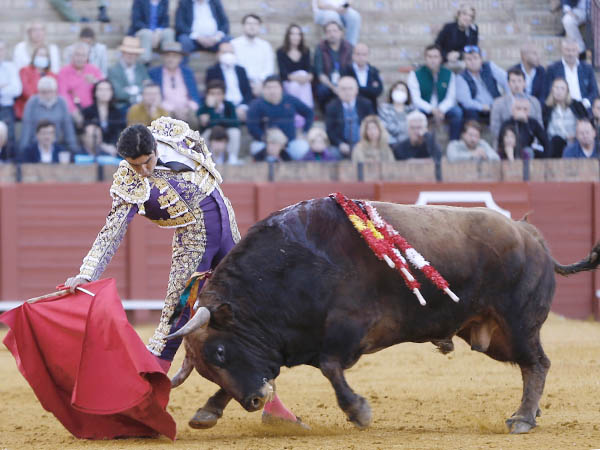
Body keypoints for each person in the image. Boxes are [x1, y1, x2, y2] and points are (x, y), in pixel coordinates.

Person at [64, 116, 303, 429]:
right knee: (175, 319)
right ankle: (139, 406)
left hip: (224, 220)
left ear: (154, 147)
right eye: (134, 165)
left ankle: (273, 406)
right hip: (194, 244)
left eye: (146, 162)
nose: (142, 171)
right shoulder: (129, 181)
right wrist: (87, 272)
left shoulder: (170, 131)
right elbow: (112, 230)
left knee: (250, 313)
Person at [247, 75, 313, 160]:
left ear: (281, 88)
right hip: (267, 143)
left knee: (302, 148)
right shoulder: (256, 105)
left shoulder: (290, 100)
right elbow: (252, 127)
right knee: (256, 148)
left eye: (275, 87)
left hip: (290, 143)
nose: (272, 91)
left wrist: (304, 132)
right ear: (263, 89)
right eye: (268, 87)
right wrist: (266, 139)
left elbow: (309, 113)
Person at [407, 44, 463, 140]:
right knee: (415, 115)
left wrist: (441, 109)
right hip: (424, 108)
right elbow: (416, 99)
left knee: (457, 112)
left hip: (443, 108)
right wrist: (432, 109)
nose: (433, 60)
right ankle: (420, 143)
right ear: (425, 58)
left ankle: (454, 143)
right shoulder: (415, 75)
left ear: (441, 58)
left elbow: (451, 97)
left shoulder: (449, 74)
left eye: (435, 57)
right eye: (430, 56)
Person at [19, 76, 78, 155]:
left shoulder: (62, 102)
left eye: (50, 91)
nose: (47, 95)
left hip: (56, 145)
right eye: (44, 92)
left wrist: (73, 149)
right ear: (39, 92)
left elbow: (68, 127)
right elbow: (26, 128)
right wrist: (23, 151)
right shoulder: (32, 102)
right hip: (35, 146)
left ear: (55, 91)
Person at [148, 42, 201, 125]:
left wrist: (188, 108)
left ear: (180, 58)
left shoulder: (187, 72)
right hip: (165, 110)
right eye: (168, 56)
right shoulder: (155, 73)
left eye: (174, 56)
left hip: (187, 110)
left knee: (194, 121)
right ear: (163, 57)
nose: (171, 59)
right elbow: (153, 96)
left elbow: (195, 96)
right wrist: (172, 110)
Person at [456, 45, 508, 122]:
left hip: (495, 105)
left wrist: (508, 99)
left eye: (475, 58)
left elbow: (507, 80)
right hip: (477, 110)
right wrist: (483, 107)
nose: (473, 62)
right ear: (464, 62)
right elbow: (466, 101)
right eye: (469, 59)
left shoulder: (490, 67)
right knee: (470, 111)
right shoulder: (461, 77)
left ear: (481, 59)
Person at [325, 75, 373, 158]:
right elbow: (330, 130)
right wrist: (340, 144)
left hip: (363, 143)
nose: (347, 92)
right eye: (343, 89)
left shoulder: (366, 104)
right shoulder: (331, 106)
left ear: (356, 90)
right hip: (341, 146)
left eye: (350, 88)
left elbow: (372, 126)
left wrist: (363, 143)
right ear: (337, 91)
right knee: (332, 153)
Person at [57, 42, 104, 127]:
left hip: (92, 111)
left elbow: (104, 87)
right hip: (72, 112)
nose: (80, 58)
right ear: (71, 56)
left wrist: (95, 81)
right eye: (77, 55)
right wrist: (73, 111)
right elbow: (63, 94)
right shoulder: (64, 71)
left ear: (87, 57)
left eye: (83, 55)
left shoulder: (93, 69)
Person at [489, 67, 543, 141]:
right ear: (508, 84)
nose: (516, 84)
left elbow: (540, 126)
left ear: (524, 83)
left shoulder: (534, 102)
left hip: (530, 142)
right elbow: (495, 129)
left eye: (519, 81)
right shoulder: (498, 103)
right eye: (513, 81)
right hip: (506, 143)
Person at [276, 24, 314, 129]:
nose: (295, 37)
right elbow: (283, 73)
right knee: (295, 85)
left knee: (303, 77)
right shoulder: (281, 52)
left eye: (298, 34)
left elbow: (309, 69)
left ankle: (306, 111)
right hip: (289, 83)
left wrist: (308, 76)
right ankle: (297, 114)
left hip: (304, 83)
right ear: (288, 36)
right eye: (292, 34)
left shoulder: (305, 51)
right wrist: (297, 78)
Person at [544, 38, 598, 110]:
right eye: (567, 50)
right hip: (561, 108)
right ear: (562, 50)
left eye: (573, 50)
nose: (571, 53)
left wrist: (586, 103)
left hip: (584, 109)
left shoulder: (587, 68)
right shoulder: (553, 69)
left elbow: (594, 91)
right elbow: (548, 91)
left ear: (578, 51)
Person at [205, 42, 253, 122]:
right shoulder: (212, 71)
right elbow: (211, 92)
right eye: (225, 52)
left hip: (241, 105)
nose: (228, 55)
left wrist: (243, 106)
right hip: (223, 106)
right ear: (218, 54)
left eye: (231, 53)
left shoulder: (241, 70)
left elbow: (248, 91)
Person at [197, 80, 241, 164]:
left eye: (218, 93)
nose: (215, 97)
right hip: (210, 133)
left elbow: (235, 123)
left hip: (226, 131)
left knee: (234, 132)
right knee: (203, 137)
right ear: (207, 95)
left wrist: (216, 121)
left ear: (223, 95)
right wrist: (211, 108)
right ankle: (205, 160)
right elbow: (205, 126)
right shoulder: (203, 108)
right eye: (212, 94)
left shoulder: (229, 105)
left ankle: (232, 159)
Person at [231, 14, 275, 97]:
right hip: (240, 84)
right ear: (243, 26)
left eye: (255, 24)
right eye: (249, 23)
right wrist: (248, 83)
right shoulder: (234, 44)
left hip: (262, 85)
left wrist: (260, 83)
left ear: (259, 27)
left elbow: (269, 68)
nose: (252, 27)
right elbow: (234, 68)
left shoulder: (265, 46)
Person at [543, 77, 588, 158]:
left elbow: (586, 123)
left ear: (567, 91)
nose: (559, 91)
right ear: (552, 90)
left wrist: (575, 136)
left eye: (562, 88)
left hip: (574, 140)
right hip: (554, 142)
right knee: (556, 141)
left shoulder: (577, 105)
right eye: (556, 88)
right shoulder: (546, 108)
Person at [314, 21, 353, 111]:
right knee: (322, 90)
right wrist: (333, 87)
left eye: (335, 31)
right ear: (326, 34)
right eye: (329, 31)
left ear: (341, 33)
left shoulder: (348, 47)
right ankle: (326, 113)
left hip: (344, 81)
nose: (332, 34)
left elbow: (351, 70)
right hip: (328, 83)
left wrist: (342, 85)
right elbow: (320, 73)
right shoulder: (320, 48)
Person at [82, 80, 126, 152]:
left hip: (114, 149)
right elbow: (85, 132)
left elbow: (120, 132)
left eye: (107, 90)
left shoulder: (117, 112)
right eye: (101, 90)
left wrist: (113, 147)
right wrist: (103, 146)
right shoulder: (88, 111)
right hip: (94, 149)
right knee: (91, 130)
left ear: (112, 93)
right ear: (95, 92)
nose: (104, 93)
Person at [108, 37, 150, 111]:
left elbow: (148, 86)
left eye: (133, 53)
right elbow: (118, 93)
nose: (130, 55)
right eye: (128, 52)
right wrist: (138, 92)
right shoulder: (113, 70)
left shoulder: (141, 68)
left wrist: (133, 89)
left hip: (142, 106)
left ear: (137, 55)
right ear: (122, 53)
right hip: (122, 107)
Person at [129, 0, 176, 64]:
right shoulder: (139, 1)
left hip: (158, 32)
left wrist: (159, 31)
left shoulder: (164, 1)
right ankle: (145, 62)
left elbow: (165, 22)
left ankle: (169, 61)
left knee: (169, 32)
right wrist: (151, 32)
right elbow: (136, 21)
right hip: (142, 30)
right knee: (147, 34)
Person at [434, 2, 478, 69]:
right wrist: (447, 56)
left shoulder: (473, 30)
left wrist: (459, 54)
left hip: (464, 63)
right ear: (458, 15)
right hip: (446, 63)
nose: (467, 18)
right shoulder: (448, 27)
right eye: (464, 14)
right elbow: (437, 45)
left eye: (471, 16)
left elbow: (473, 48)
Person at [341, 42, 383, 112]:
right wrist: (369, 89)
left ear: (368, 56)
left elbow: (378, 90)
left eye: (364, 54)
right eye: (358, 54)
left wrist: (357, 89)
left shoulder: (374, 71)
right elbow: (345, 91)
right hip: (351, 109)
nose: (361, 57)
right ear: (353, 56)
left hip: (371, 109)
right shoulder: (346, 71)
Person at [0, 40, 23, 162]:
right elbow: (10, 88)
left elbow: (17, 89)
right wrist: (4, 86)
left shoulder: (11, 67)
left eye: (1, 49)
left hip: (6, 107)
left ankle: (8, 162)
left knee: (9, 137)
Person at [378, 80, 414, 149]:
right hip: (390, 145)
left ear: (407, 94)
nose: (399, 92)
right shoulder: (384, 109)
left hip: (409, 145)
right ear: (392, 92)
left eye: (402, 90)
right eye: (397, 89)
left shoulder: (412, 111)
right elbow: (384, 126)